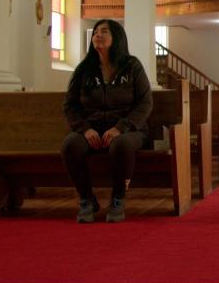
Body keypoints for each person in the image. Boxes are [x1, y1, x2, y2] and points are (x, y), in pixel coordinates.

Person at [61, 19, 153, 223]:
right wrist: (84, 129)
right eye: (95, 32)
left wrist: (121, 128)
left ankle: (118, 199)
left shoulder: (132, 67)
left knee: (121, 145)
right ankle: (86, 199)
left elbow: (145, 103)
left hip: (130, 130)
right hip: (92, 130)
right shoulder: (84, 70)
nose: (97, 35)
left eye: (104, 31)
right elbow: (70, 106)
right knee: (70, 145)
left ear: (117, 38)